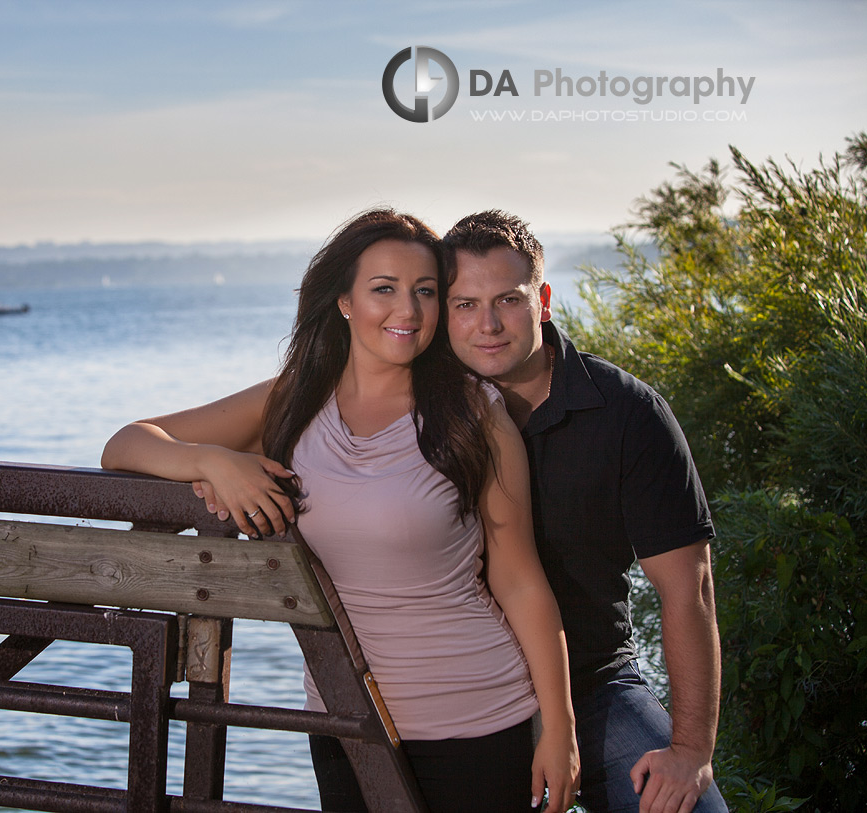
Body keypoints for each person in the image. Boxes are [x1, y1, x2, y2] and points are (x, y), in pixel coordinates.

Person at [102, 209, 579, 812]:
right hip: (343, 715)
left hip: (476, 714)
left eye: (425, 292)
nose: (407, 311)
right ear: (345, 302)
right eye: (384, 289)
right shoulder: (294, 400)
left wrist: (559, 729)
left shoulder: (475, 415)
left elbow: (520, 580)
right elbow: (125, 445)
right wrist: (213, 462)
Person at [441, 210, 727, 813]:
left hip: (593, 682)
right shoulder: (421, 410)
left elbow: (688, 588)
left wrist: (692, 749)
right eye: (464, 304)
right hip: (457, 691)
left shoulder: (627, 414)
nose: (487, 325)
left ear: (542, 299)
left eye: (507, 300)